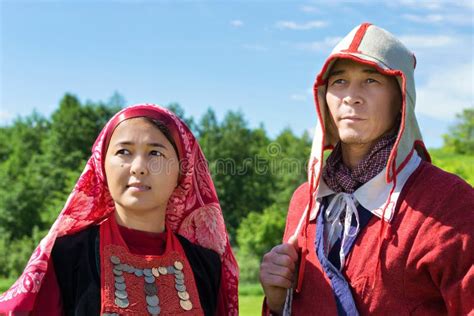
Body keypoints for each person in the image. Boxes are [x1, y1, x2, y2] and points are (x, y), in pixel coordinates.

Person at [260, 23, 474, 315]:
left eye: (371, 80)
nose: (351, 96)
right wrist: (277, 301)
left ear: (401, 98)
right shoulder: (303, 202)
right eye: (339, 82)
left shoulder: (450, 202)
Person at [0, 104, 239, 315]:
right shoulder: (66, 256)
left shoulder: (207, 265)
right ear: (102, 166)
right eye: (123, 151)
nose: (138, 168)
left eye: (155, 153)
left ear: (181, 173)